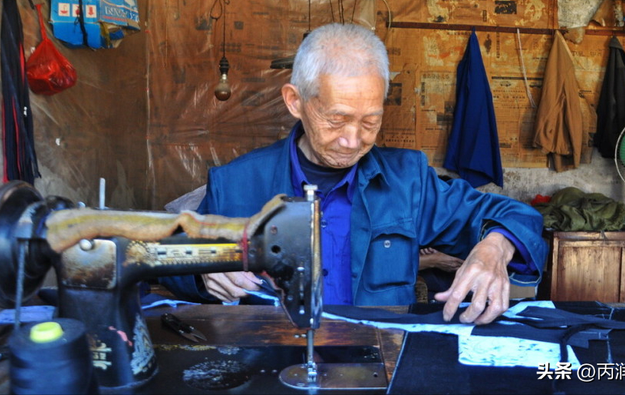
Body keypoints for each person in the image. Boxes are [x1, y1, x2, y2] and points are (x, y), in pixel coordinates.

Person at [161, 23, 547, 325]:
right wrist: (203, 274)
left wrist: (495, 247)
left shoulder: (408, 181)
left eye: (370, 122)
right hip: (276, 368)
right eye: (337, 119)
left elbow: (518, 216)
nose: (352, 140)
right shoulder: (235, 183)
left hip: (381, 365)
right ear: (295, 101)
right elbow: (168, 255)